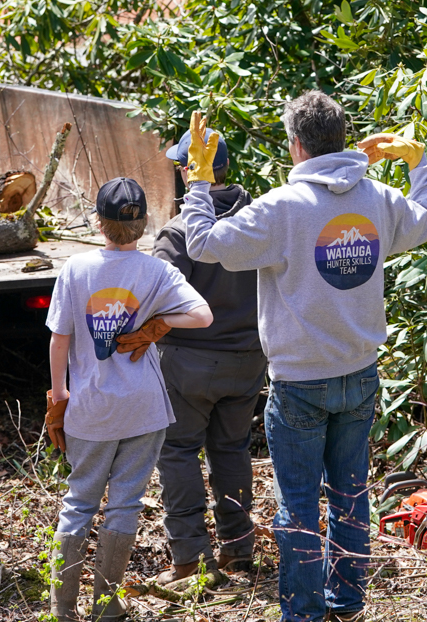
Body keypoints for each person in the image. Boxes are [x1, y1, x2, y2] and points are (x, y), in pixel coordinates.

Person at [180, 92, 427, 622]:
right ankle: (346, 604)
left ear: (296, 145)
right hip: (360, 373)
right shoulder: (377, 197)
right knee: (350, 495)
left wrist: (199, 184)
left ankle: (303, 613)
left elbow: (203, 245)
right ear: (343, 138)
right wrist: (420, 164)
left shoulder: (283, 208)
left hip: (300, 381)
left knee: (299, 508)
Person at [44, 177, 214, 622]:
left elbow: (59, 340)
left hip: (90, 407)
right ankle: (107, 606)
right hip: (143, 408)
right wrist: (158, 323)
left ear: (99, 222)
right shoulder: (156, 271)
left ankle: (62, 609)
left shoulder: (76, 269)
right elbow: (202, 315)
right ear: (142, 225)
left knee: (79, 502)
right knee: (125, 503)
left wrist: (60, 394)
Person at [150, 127, 266, 584]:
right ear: (229, 168)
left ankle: (188, 561)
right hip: (248, 360)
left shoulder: (177, 233)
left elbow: (156, 301)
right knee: (232, 450)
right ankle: (237, 551)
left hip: (188, 364)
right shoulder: (261, 218)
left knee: (178, 453)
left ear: (187, 171)